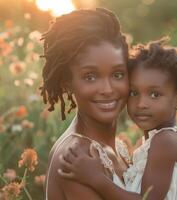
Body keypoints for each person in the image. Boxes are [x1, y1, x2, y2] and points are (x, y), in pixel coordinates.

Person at [58, 39, 177, 199]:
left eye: (155, 94)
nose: (141, 104)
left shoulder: (165, 141)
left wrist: (96, 178)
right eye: (134, 93)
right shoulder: (166, 141)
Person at [40, 8, 130, 200]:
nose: (107, 89)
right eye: (90, 77)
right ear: (67, 83)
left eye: (118, 74)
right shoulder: (75, 157)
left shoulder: (115, 147)